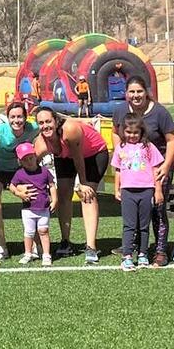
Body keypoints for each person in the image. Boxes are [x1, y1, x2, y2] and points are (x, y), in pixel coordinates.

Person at [111, 75, 174, 266]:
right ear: (126, 94)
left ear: (146, 92)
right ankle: (136, 249)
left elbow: (172, 140)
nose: (135, 95)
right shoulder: (121, 110)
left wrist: (165, 166)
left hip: (158, 165)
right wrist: (121, 151)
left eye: (139, 91)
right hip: (134, 170)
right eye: (131, 92)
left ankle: (160, 250)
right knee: (136, 212)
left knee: (158, 208)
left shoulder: (160, 113)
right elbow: (116, 132)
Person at [31, 107, 106, 263]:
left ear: (56, 121)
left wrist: (84, 183)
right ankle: (65, 241)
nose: (45, 126)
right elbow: (30, 166)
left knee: (87, 196)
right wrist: (23, 187)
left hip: (93, 154)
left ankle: (91, 247)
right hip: (65, 156)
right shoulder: (41, 142)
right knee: (63, 195)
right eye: (41, 123)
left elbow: (78, 158)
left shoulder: (70, 129)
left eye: (48, 121)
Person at [0, 101, 38, 263]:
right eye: (12, 117)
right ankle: (2, 246)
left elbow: (50, 124)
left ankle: (34, 244)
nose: (16, 120)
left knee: (31, 200)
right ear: (7, 118)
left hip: (18, 171)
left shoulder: (33, 128)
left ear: (26, 118)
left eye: (20, 117)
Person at [111, 113, 165, 271]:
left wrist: (158, 190)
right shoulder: (120, 148)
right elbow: (118, 170)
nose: (132, 135)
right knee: (129, 225)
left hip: (146, 190)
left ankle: (142, 254)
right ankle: (127, 256)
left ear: (141, 132)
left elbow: (156, 169)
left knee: (143, 226)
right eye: (129, 132)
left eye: (136, 132)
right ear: (123, 132)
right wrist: (117, 189)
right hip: (128, 191)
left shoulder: (148, 147)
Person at [9, 142, 55, 266]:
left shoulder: (44, 171)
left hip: (43, 208)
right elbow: (11, 186)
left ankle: (46, 254)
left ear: (35, 156)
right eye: (25, 160)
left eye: (31, 158)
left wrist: (55, 200)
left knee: (43, 230)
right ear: (20, 161)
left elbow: (51, 186)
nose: (29, 161)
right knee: (28, 232)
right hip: (28, 209)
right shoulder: (20, 173)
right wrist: (20, 194)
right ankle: (28, 253)